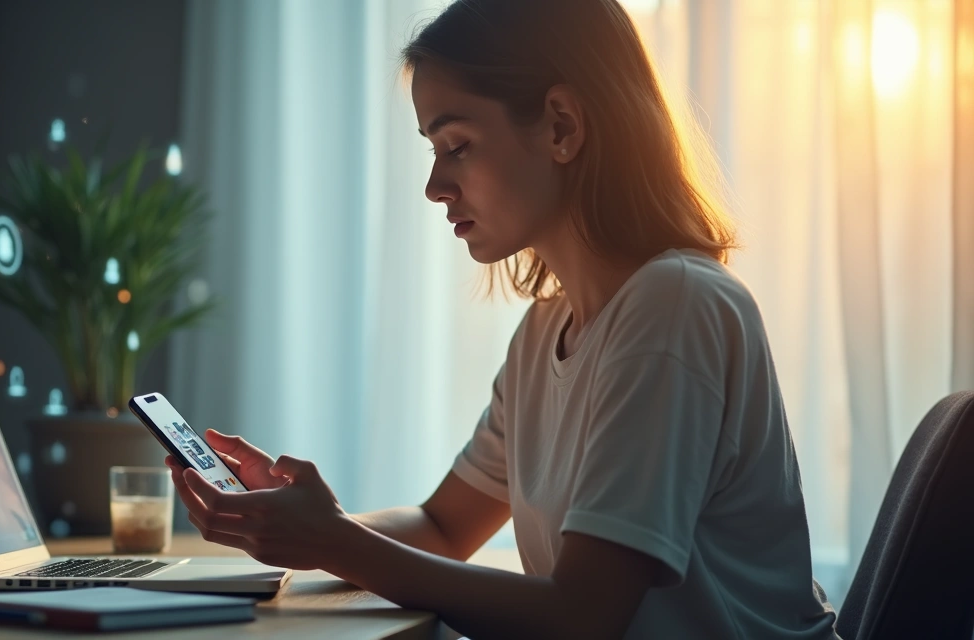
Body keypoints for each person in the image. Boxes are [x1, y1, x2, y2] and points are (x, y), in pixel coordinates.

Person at [164, 1, 840, 637]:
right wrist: (307, 523)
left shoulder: (675, 307)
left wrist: (331, 540)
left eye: (456, 145)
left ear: (561, 126)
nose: (435, 186)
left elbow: (582, 618)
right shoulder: (548, 331)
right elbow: (439, 527)